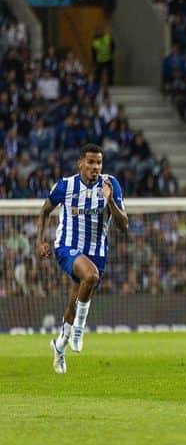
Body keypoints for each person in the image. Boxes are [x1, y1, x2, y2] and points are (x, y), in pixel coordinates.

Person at [35, 143, 128, 374]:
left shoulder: (111, 185)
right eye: (91, 162)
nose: (95, 167)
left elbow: (123, 225)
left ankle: (59, 346)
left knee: (73, 303)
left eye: (99, 163)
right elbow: (45, 210)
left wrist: (110, 201)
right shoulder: (65, 186)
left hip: (97, 252)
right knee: (91, 275)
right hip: (67, 247)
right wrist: (40, 241)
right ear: (80, 163)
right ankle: (79, 330)